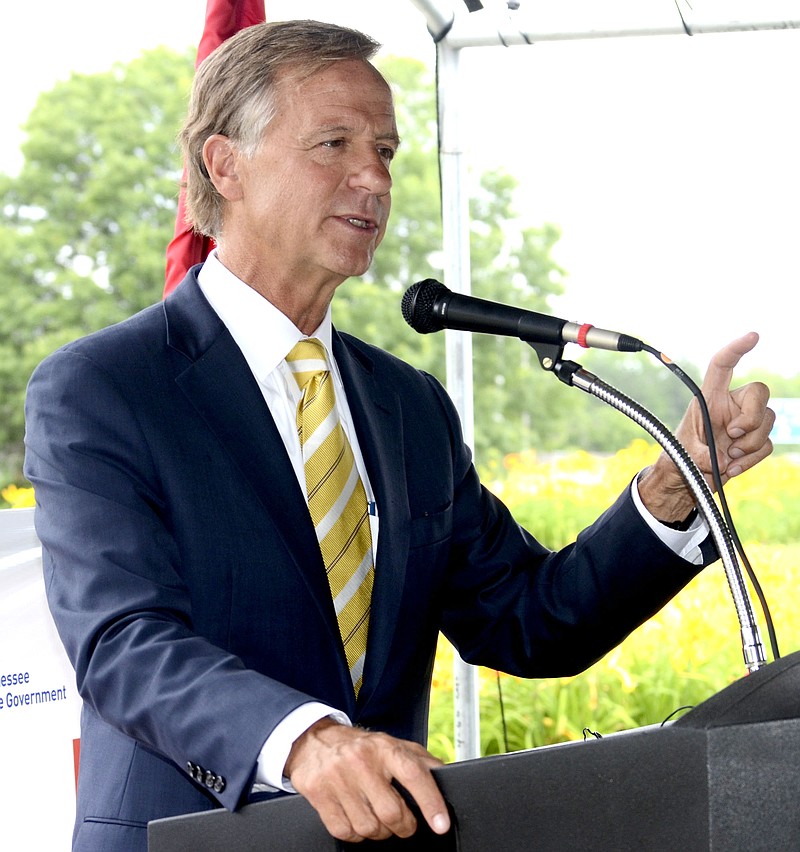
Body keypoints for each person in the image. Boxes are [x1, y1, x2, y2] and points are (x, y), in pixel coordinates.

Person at [24, 20, 774, 851]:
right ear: (224, 164)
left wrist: (676, 487)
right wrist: (307, 741)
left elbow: (529, 619)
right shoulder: (103, 388)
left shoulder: (407, 405)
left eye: (385, 150)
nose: (373, 177)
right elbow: (123, 642)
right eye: (334, 143)